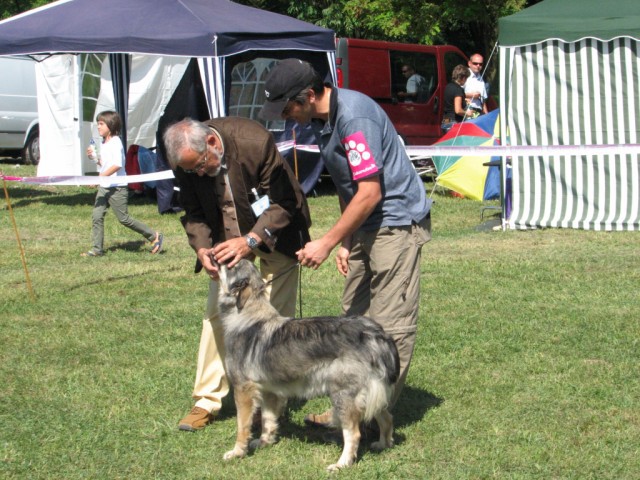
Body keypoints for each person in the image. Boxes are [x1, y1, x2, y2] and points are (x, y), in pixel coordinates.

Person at [260, 58, 432, 423]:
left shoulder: (354, 118)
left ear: (308, 95)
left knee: (388, 326)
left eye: (288, 108)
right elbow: (347, 184)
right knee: (352, 322)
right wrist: (346, 241)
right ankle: (351, 407)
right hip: (365, 225)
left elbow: (369, 193)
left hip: (396, 222)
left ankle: (371, 417)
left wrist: (325, 241)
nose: (287, 117)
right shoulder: (323, 121)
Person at [162, 117, 311, 432]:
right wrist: (202, 249)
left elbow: (285, 202)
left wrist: (251, 241)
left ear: (213, 144)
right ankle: (206, 400)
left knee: (272, 321)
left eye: (202, 165)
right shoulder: (185, 160)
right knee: (217, 315)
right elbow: (193, 212)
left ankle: (268, 401)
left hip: (275, 235)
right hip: (225, 243)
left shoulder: (255, 143)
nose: (199, 173)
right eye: (193, 170)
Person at [82, 110, 163, 257]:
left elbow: (117, 165)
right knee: (97, 215)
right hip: (105, 187)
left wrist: (99, 178)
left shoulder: (115, 142)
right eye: (97, 124)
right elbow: (106, 164)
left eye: (101, 124)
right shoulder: (104, 143)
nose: (98, 127)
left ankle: (154, 236)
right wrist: (94, 158)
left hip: (117, 188)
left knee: (124, 219)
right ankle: (96, 249)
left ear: (111, 125)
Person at [441, 64, 474, 134]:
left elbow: (451, 101)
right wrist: (468, 113)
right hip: (454, 122)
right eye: (466, 79)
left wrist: (464, 101)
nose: (466, 81)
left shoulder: (448, 86)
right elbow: (458, 110)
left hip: (445, 121)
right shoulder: (458, 89)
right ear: (463, 78)